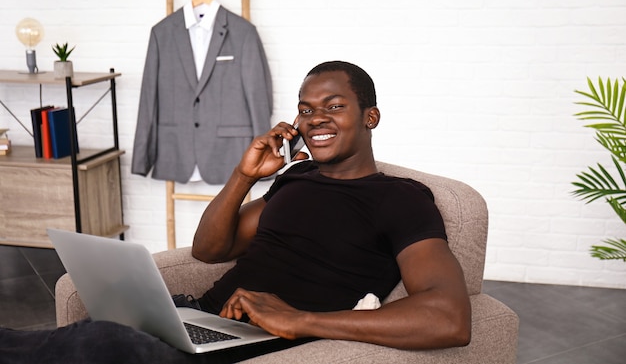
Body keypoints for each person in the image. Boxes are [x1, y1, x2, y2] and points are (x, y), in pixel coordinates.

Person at [0, 61, 470, 363]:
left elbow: (450, 317)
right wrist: (245, 176)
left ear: (370, 117)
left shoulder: (402, 198)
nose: (316, 119)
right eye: (306, 110)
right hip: (197, 320)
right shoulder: (295, 179)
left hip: (262, 346)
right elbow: (209, 251)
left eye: (335, 106)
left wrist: (300, 319)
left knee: (96, 345)